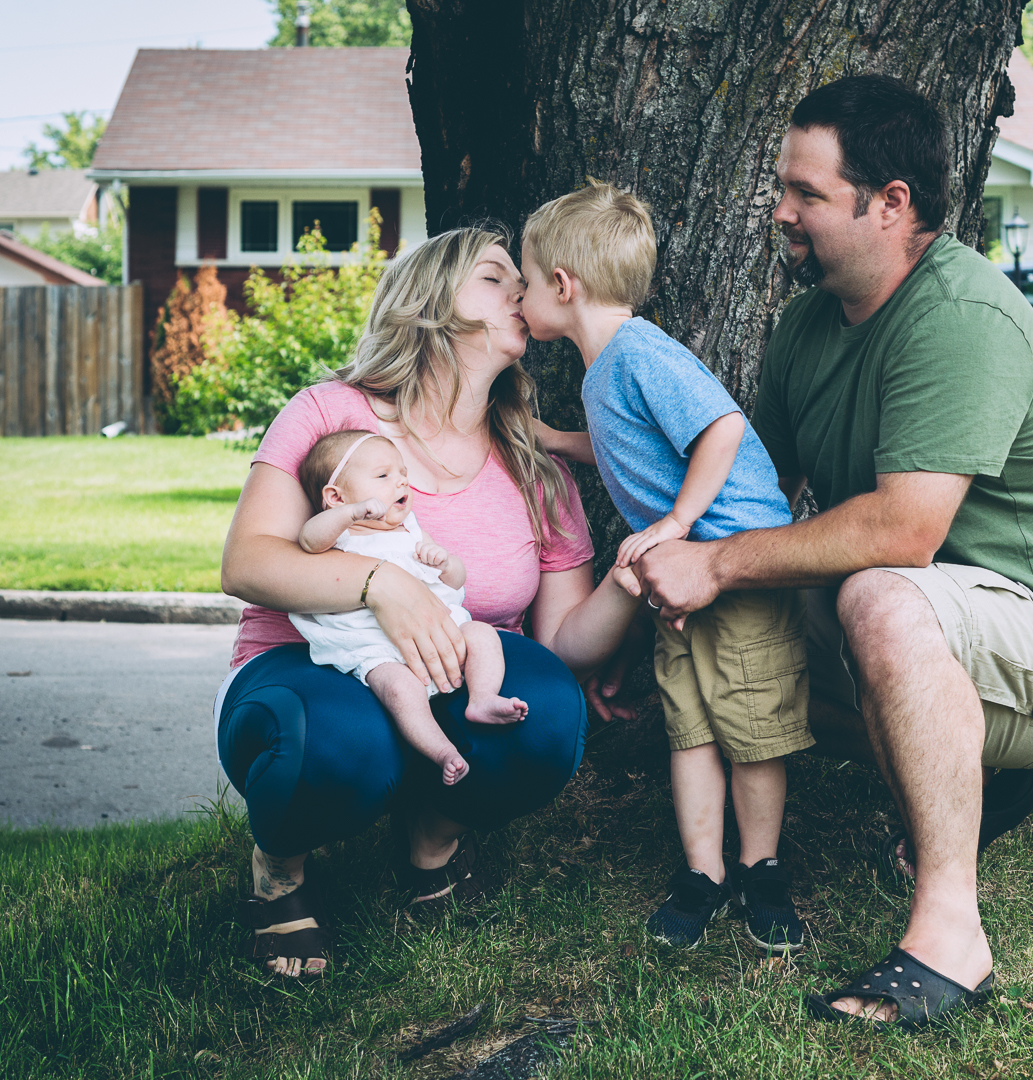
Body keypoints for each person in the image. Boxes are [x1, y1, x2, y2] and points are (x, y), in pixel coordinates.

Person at [621, 76, 1033, 1027]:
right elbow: (754, 498)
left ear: (891, 203)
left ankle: (952, 937)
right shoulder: (805, 328)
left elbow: (907, 533)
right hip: (945, 637)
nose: (780, 212)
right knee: (739, 661)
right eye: (785, 189)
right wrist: (665, 624)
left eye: (806, 195)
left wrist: (720, 565)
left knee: (878, 594)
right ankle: (978, 775)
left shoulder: (960, 315)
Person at [217, 225, 640, 978]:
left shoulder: (536, 471)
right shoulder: (332, 418)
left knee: (547, 711)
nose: (521, 289)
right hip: (312, 662)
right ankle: (279, 870)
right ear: (428, 305)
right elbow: (248, 561)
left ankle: (431, 843)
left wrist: (632, 578)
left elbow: (562, 648)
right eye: (493, 276)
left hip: (452, 681)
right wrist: (385, 586)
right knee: (347, 746)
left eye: (524, 280)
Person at [523, 183, 812, 952]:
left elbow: (720, 428)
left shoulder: (640, 351)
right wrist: (556, 438)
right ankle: (700, 875)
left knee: (752, 729)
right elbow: (630, 443)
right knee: (689, 727)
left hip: (734, 564)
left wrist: (680, 523)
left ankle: (762, 870)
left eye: (524, 281)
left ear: (561, 285)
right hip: (676, 579)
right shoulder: (602, 369)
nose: (518, 298)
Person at [288, 429, 534, 786]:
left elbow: (456, 580)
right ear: (335, 496)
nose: (401, 481)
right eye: (384, 475)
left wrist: (446, 563)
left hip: (441, 635)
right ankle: (441, 751)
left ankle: (482, 698)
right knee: (401, 690)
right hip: (378, 649)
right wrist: (350, 513)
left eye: (402, 473)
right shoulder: (341, 532)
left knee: (482, 635)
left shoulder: (411, 531)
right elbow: (309, 540)